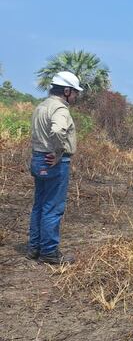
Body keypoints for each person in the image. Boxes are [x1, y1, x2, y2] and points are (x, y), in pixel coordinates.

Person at [27, 71, 83, 264]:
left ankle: (34, 248)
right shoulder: (60, 109)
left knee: (40, 206)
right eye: (75, 92)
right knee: (52, 208)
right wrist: (59, 153)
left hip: (37, 158)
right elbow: (58, 130)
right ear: (66, 90)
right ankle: (49, 252)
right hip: (53, 162)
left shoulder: (41, 106)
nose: (76, 96)